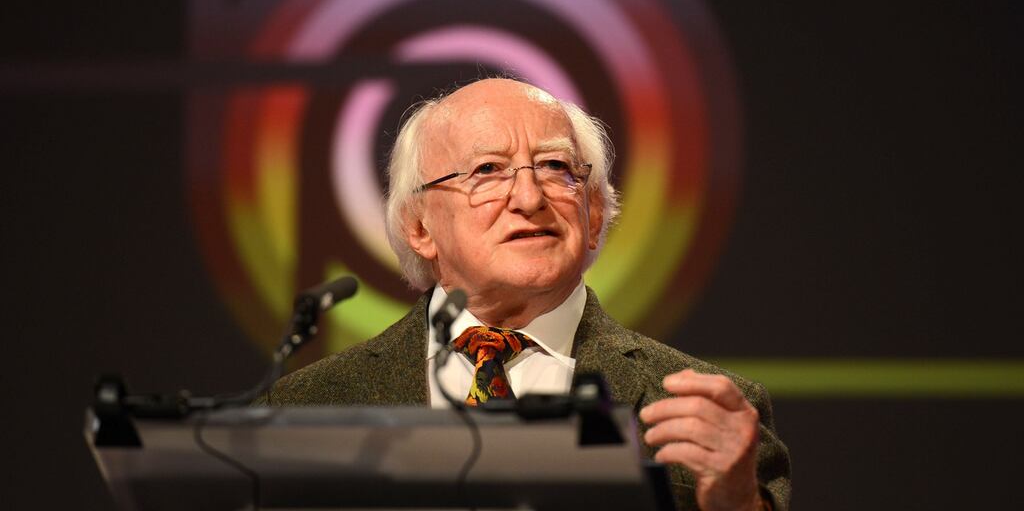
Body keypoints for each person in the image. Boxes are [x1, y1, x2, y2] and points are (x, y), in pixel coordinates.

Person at [264, 78, 791, 510]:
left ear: (594, 213)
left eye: (557, 168)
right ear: (419, 227)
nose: (529, 197)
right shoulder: (308, 407)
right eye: (488, 171)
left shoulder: (706, 413)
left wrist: (736, 505)